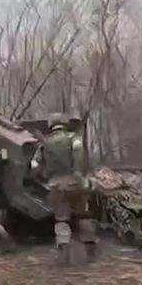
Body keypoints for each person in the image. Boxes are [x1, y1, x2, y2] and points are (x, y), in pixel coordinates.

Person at [31, 113, 98, 265]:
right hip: (76, 183)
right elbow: (80, 157)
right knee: (83, 216)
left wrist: (42, 179)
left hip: (55, 185)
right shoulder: (74, 138)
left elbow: (34, 166)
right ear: (65, 123)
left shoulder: (44, 143)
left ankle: (63, 250)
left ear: (51, 125)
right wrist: (80, 176)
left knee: (61, 219)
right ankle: (90, 250)